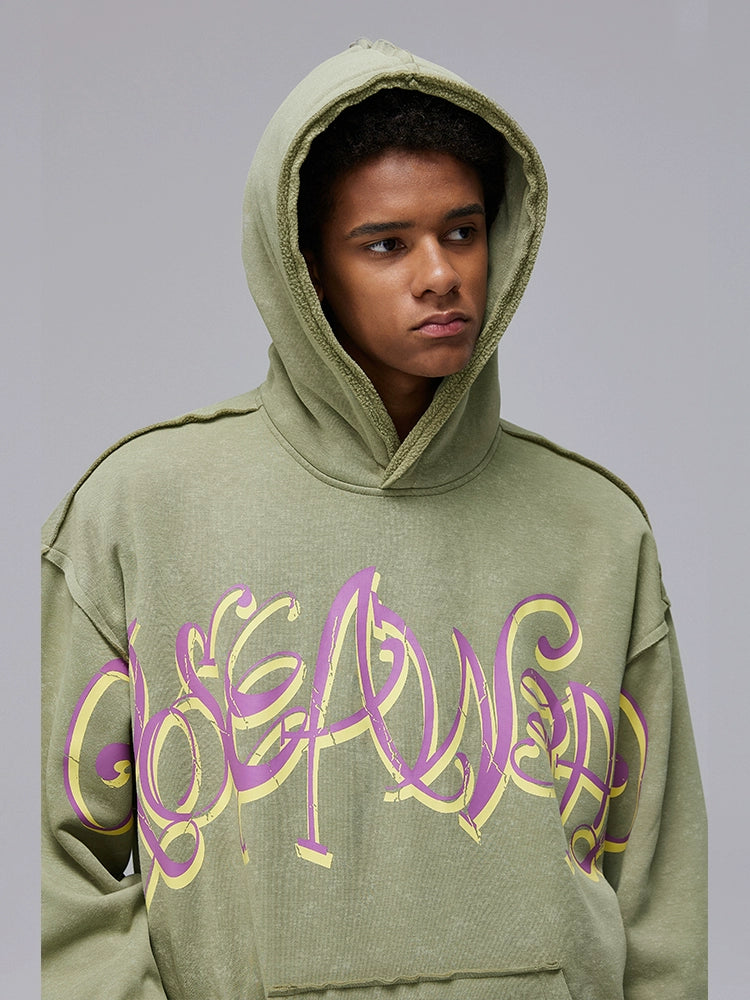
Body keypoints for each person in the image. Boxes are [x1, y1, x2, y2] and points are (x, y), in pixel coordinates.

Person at [41, 38, 707, 1000]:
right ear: (308, 268)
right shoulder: (140, 510)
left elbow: (659, 897)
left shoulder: (596, 529)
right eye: (387, 244)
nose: (440, 273)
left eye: (462, 231)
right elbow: (59, 875)